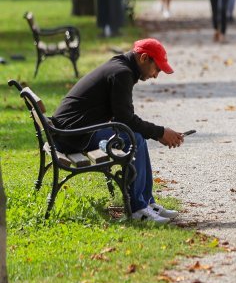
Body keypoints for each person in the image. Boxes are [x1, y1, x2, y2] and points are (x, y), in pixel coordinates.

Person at [51, 39, 185, 223]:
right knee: (134, 137)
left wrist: (157, 133)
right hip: (72, 138)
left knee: (137, 136)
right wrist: (160, 132)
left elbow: (121, 117)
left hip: (69, 132)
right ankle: (138, 210)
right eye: (157, 69)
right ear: (144, 58)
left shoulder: (121, 66)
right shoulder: (122, 73)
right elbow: (126, 120)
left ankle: (146, 201)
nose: (156, 76)